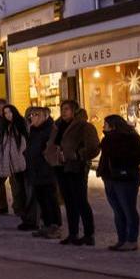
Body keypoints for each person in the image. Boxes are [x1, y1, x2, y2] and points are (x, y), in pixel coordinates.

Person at [98, 114, 140, 252]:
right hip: (110, 178)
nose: (103, 127)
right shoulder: (107, 139)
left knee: (128, 209)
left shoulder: (129, 137)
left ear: (113, 125)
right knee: (117, 210)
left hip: (125, 178)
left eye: (106, 124)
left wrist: (124, 164)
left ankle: (131, 240)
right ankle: (122, 239)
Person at [56, 100, 101, 246]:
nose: (64, 112)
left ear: (74, 111)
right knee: (69, 202)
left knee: (81, 201)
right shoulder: (59, 126)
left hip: (77, 167)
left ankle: (89, 234)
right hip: (62, 168)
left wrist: (78, 155)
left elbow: (94, 147)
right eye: (62, 109)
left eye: (67, 109)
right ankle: (73, 233)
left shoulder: (84, 126)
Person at [21, 106, 63, 238]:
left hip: (47, 170)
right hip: (35, 170)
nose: (33, 117)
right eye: (31, 115)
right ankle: (46, 224)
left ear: (45, 116)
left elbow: (51, 149)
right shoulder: (34, 130)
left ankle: (55, 226)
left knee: (50, 199)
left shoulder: (51, 130)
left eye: (36, 115)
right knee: (41, 199)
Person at [0, 101, 28, 218]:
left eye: (9, 112)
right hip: (6, 159)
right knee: (2, 183)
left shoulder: (19, 124)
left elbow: (22, 144)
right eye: (5, 113)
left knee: (18, 186)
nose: (7, 114)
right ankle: (6, 207)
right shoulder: (4, 125)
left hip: (19, 161)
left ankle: (20, 208)